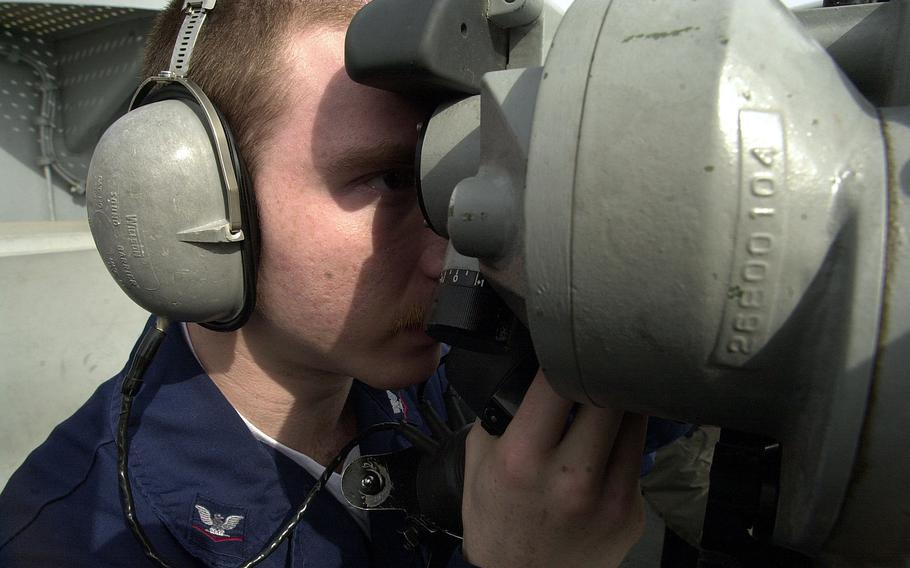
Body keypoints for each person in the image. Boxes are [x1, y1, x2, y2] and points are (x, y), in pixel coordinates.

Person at [0, 0, 655, 566]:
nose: (453, 251)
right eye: (392, 181)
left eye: (454, 177)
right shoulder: (73, 538)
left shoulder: (437, 361)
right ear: (186, 197)